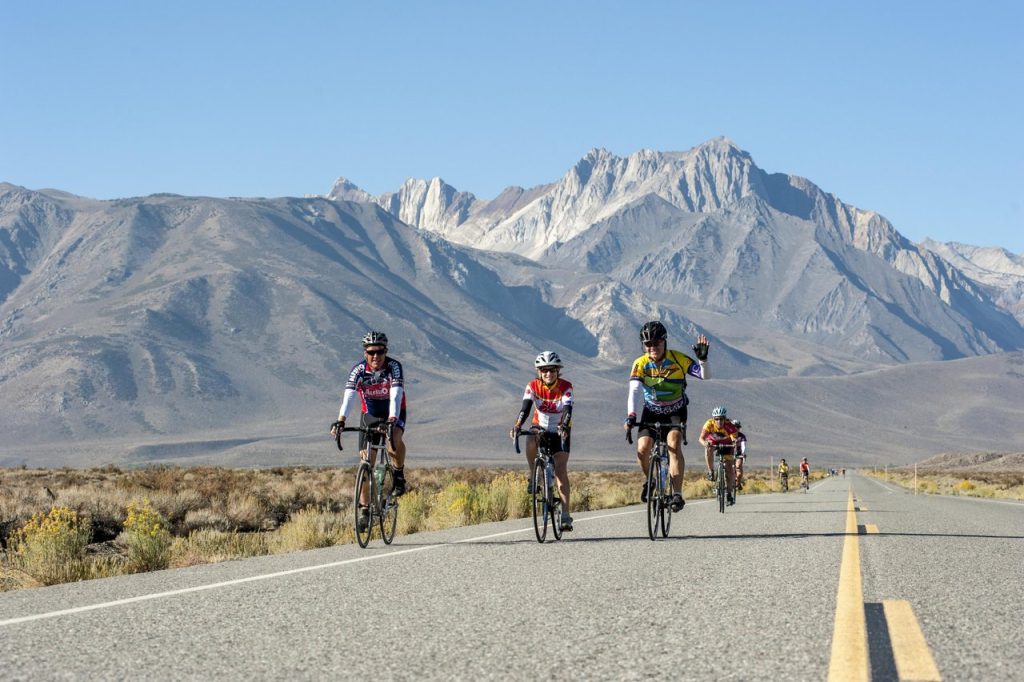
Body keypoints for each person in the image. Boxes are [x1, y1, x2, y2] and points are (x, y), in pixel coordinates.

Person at [624, 321, 710, 513]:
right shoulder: (640, 364)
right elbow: (634, 391)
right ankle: (651, 480)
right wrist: (631, 415)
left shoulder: (678, 359)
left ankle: (677, 493)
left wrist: (703, 361)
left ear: (664, 342)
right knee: (643, 449)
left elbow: (705, 376)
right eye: (648, 344)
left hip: (675, 410)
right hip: (651, 410)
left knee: (673, 445)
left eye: (656, 343)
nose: (652, 347)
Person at [330, 331, 408, 533]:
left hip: (394, 411)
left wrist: (392, 420)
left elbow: (396, 395)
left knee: (393, 444)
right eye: (371, 352)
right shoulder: (358, 370)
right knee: (366, 462)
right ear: (365, 353)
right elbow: (349, 397)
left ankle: (398, 475)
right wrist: (340, 421)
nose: (376, 356)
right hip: (370, 416)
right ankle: (364, 511)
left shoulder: (393, 367)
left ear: (386, 351)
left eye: (380, 352)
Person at [510, 351, 574, 531]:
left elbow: (568, 409)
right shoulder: (532, 386)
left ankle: (566, 515)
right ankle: (534, 475)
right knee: (530, 438)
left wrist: (564, 426)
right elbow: (526, 408)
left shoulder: (566, 386)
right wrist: (517, 425)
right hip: (540, 426)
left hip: (560, 428)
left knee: (561, 471)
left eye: (552, 370)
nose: (548, 374)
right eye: (544, 370)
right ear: (539, 372)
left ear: (558, 371)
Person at [699, 406, 739, 505]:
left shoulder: (730, 426)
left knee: (729, 469)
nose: (719, 421)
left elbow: (734, 439)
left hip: (727, 445)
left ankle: (729, 494)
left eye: (721, 419)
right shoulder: (709, 424)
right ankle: (711, 471)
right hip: (713, 443)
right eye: (716, 419)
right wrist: (705, 443)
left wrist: (734, 443)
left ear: (725, 419)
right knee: (708, 448)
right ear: (713, 419)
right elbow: (701, 438)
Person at [731, 419, 747, 490]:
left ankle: (738, 483)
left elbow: (743, 445)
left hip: (738, 454)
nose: (735, 428)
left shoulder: (741, 436)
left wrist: (743, 453)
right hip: (728, 453)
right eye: (733, 427)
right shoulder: (727, 434)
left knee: (738, 467)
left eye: (737, 427)